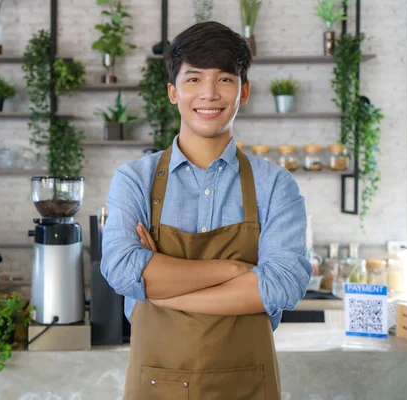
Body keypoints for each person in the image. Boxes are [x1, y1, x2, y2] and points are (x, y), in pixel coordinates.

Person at [101, 21, 312, 399]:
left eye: (225, 80)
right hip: (156, 384)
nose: (209, 94)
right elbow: (121, 268)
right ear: (172, 91)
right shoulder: (134, 179)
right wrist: (233, 270)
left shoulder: (277, 185)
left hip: (248, 385)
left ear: (243, 91)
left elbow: (281, 284)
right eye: (194, 79)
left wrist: (164, 292)